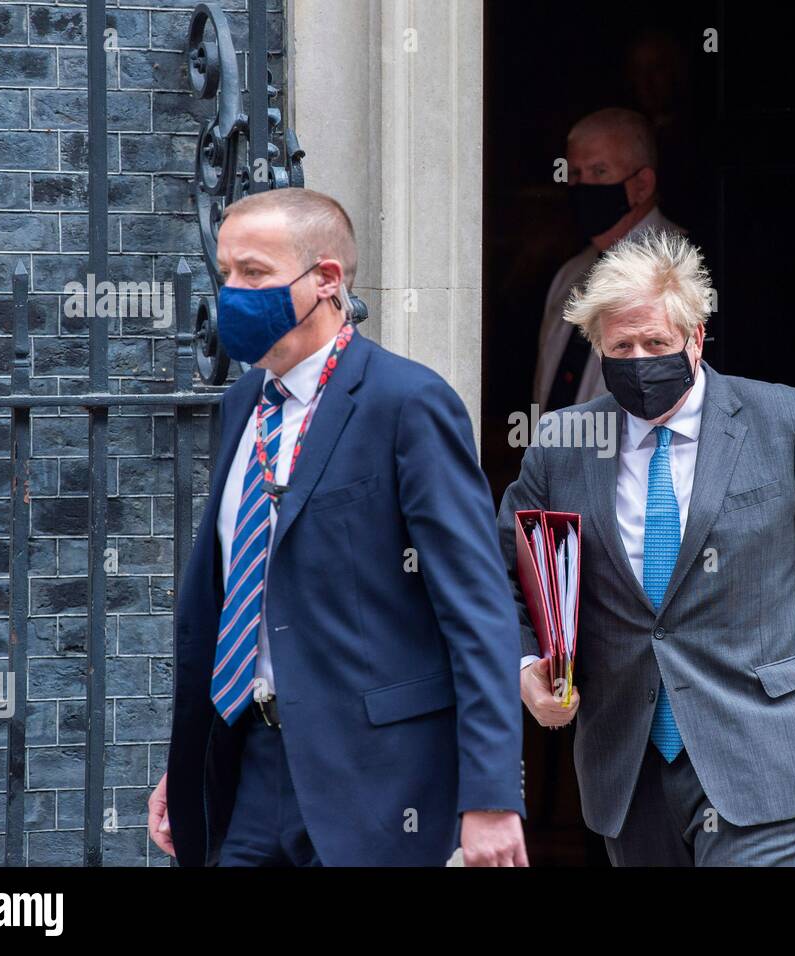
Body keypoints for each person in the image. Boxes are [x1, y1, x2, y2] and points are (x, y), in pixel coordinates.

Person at [499, 230, 795, 866]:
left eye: (656, 343)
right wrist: (527, 668)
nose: (639, 360)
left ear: (696, 336)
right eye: (621, 347)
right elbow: (505, 575)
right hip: (627, 762)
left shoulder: (786, 422)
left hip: (762, 747)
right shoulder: (563, 442)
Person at [148, 187, 527, 866]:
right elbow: (238, 597)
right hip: (249, 768)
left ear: (326, 280)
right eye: (226, 271)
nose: (232, 291)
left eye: (255, 274)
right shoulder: (242, 405)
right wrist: (186, 761)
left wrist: (491, 797)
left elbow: (478, 613)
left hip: (377, 786)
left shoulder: (407, 404)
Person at [534, 107, 685, 411]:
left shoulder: (682, 268)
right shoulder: (570, 275)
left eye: (599, 172)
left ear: (642, 185)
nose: (583, 187)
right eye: (575, 174)